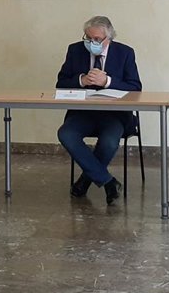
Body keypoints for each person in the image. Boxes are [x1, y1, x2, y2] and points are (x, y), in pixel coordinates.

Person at [55, 15, 142, 205]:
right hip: (82, 113)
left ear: (108, 38)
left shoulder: (125, 53)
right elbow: (61, 83)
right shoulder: (75, 50)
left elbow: (135, 87)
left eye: (96, 39)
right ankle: (108, 182)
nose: (91, 43)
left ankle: (85, 181)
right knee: (66, 134)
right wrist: (81, 80)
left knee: (109, 142)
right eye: (88, 38)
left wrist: (107, 81)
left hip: (114, 115)